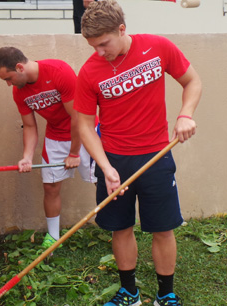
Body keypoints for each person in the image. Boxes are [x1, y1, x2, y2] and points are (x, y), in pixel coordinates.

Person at [74, 1, 202, 306]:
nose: (99, 52)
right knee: (121, 227)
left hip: (156, 156)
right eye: (93, 46)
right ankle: (129, 293)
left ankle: (165, 294)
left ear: (122, 29)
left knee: (162, 227)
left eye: (104, 43)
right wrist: (105, 167)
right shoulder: (90, 71)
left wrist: (185, 114)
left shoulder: (157, 48)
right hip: (113, 158)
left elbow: (192, 81)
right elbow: (84, 126)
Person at [0, 47, 97, 250]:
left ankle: (116, 228)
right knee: (50, 187)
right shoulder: (19, 91)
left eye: (9, 78)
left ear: (20, 67)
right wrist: (27, 157)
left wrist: (74, 153)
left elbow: (77, 118)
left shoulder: (58, 71)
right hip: (55, 137)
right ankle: (53, 237)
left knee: (101, 183)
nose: (8, 84)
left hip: (85, 134)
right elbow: (30, 126)